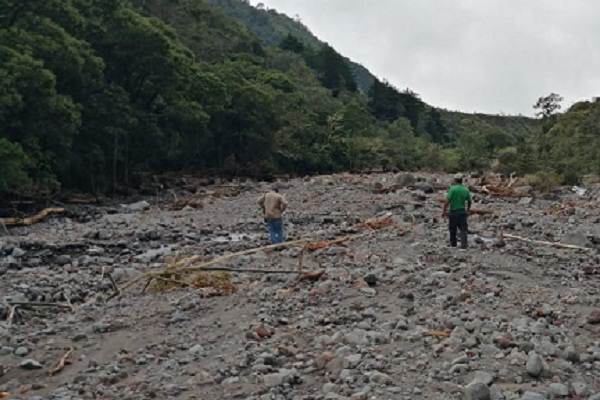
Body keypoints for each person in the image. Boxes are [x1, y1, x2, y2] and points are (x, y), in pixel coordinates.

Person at [441, 173, 472, 249]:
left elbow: (448, 201)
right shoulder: (465, 189)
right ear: (462, 180)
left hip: (454, 212)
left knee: (452, 229)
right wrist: (468, 210)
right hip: (462, 211)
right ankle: (463, 245)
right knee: (463, 229)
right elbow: (469, 201)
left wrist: (444, 211)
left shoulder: (453, 189)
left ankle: (453, 244)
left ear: (455, 180)